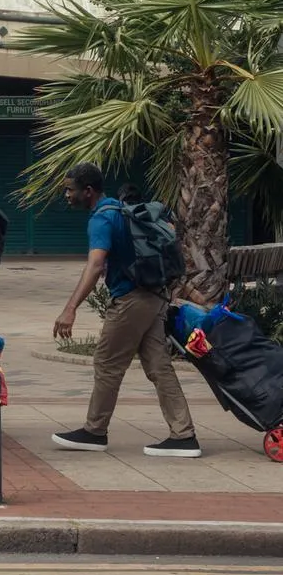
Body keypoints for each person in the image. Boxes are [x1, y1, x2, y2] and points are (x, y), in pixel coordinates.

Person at [50, 162, 201, 458]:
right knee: (158, 365)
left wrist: (70, 309)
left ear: (88, 191)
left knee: (107, 362)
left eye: (70, 190)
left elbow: (95, 265)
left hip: (132, 299)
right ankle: (184, 436)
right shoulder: (119, 210)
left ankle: (94, 431)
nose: (66, 196)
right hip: (155, 295)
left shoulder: (101, 220)